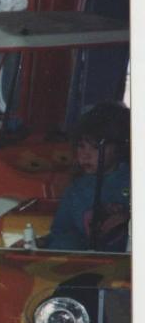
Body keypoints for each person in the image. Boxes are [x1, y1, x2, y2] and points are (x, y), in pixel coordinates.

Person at [46, 101, 131, 252]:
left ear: (119, 148)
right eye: (81, 146)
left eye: (96, 148)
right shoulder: (76, 190)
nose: (85, 155)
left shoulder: (132, 180)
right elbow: (61, 231)